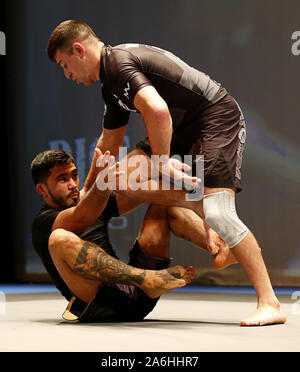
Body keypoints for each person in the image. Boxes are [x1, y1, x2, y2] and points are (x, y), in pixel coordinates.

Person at [46, 20, 287, 326]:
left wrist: (161, 162)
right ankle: (200, 211)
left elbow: (157, 110)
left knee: (219, 213)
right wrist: (87, 193)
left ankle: (270, 302)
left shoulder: (118, 64)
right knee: (119, 178)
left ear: (79, 50)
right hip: (179, 128)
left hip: (212, 120)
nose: (67, 75)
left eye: (65, 65)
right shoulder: (111, 83)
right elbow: (108, 143)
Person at [30, 148, 233, 322]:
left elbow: (139, 194)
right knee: (58, 239)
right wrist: (103, 182)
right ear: (42, 189)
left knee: (163, 202)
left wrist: (163, 171)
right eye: (62, 179)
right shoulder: (44, 222)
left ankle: (226, 249)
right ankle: (147, 279)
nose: (73, 184)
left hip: (137, 293)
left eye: (74, 175)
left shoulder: (91, 203)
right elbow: (82, 214)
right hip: (100, 303)